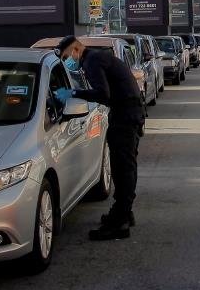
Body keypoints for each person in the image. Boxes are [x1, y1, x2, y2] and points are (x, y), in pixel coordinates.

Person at [54, 35, 145, 240]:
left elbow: (102, 94)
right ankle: (124, 212)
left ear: (76, 50)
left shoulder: (92, 61)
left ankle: (120, 222)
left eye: (68, 56)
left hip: (125, 116)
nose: (68, 61)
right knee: (126, 166)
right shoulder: (98, 58)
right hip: (129, 112)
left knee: (122, 168)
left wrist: (73, 93)